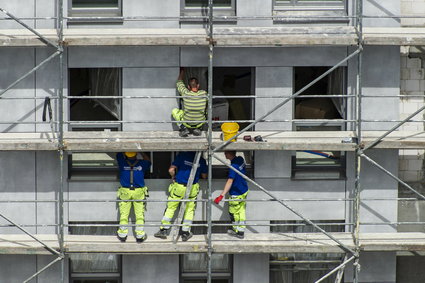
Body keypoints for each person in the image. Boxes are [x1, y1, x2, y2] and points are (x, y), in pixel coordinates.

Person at [154, 151, 207, 241]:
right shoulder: (201, 160)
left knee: (171, 207)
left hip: (179, 187)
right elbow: (204, 176)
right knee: (189, 210)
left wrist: (173, 177)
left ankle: (164, 230)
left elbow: (171, 170)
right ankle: (185, 232)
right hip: (192, 188)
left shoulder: (182, 156)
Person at [116, 152, 151, 243]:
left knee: (124, 214)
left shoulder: (122, 162)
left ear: (125, 155)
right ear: (136, 155)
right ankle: (139, 236)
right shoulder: (142, 163)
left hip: (125, 191)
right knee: (139, 214)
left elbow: (118, 153)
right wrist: (142, 152)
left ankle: (122, 235)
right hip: (138, 191)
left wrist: (125, 151)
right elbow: (148, 161)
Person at [214, 151, 248, 239]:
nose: (224, 154)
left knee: (234, 213)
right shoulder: (240, 159)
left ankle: (237, 231)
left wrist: (221, 196)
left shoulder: (233, 167)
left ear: (230, 154)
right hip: (244, 190)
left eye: (226, 153)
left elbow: (230, 181)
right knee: (241, 211)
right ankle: (241, 230)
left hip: (236, 193)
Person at [172, 68, 208, 137]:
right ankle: (198, 129)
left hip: (187, 122)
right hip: (200, 122)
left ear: (188, 87)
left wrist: (182, 70)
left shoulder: (185, 93)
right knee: (206, 111)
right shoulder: (204, 94)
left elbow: (179, 82)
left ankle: (184, 128)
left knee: (174, 111)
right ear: (198, 85)